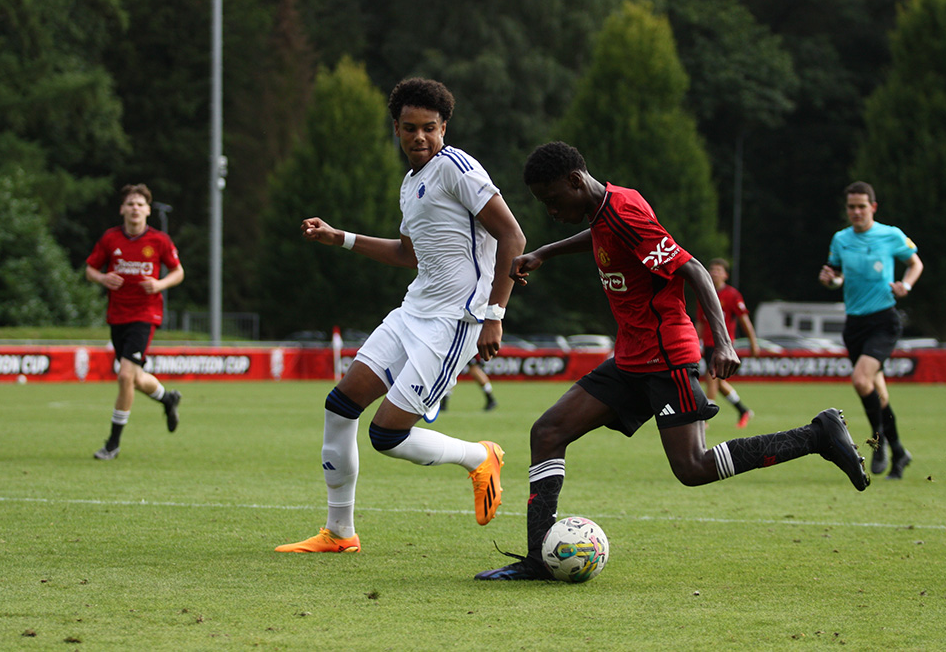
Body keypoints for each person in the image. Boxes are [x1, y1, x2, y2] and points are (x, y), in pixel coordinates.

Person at [476, 142, 868, 581]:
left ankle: (816, 435)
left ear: (574, 181)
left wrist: (723, 342)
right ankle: (537, 560)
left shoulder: (625, 213)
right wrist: (545, 252)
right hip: (629, 359)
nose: (549, 210)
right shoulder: (606, 211)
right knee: (548, 432)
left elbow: (695, 269)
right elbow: (602, 236)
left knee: (693, 468)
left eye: (551, 200)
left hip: (666, 358)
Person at [276, 78, 526, 554]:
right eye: (409, 128)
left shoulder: (456, 167)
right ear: (396, 129)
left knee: (386, 435)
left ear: (444, 127)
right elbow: (409, 253)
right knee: (340, 404)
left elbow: (513, 237)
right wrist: (340, 238)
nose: (420, 138)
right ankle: (339, 532)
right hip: (413, 311)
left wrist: (495, 314)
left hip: (454, 322)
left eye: (429, 128)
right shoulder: (411, 185)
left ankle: (479, 456)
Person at [819, 181, 923, 480]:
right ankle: (900, 451)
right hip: (854, 324)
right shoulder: (840, 239)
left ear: (873, 207)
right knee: (878, 392)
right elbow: (836, 277)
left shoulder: (890, 235)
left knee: (861, 380)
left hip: (883, 320)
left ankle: (878, 444)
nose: (856, 211)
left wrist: (906, 285)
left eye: (861, 206)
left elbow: (915, 263)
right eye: (851, 206)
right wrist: (829, 280)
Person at [85, 183, 184, 460]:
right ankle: (168, 398)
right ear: (122, 209)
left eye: (140, 204)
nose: (135, 208)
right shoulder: (110, 239)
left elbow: (178, 272)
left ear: (148, 210)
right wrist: (103, 278)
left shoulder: (159, 240)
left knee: (125, 375)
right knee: (136, 378)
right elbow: (90, 269)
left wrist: (160, 284)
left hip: (145, 315)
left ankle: (112, 444)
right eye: (130, 204)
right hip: (117, 315)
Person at [694, 258, 760, 427]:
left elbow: (744, 320)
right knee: (718, 382)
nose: (714, 273)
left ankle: (705, 419)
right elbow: (700, 322)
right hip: (708, 343)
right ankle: (743, 410)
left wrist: (753, 343)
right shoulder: (704, 292)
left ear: (725, 275)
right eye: (712, 269)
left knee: (712, 378)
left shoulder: (732, 294)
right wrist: (694, 342)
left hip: (723, 344)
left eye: (718, 270)